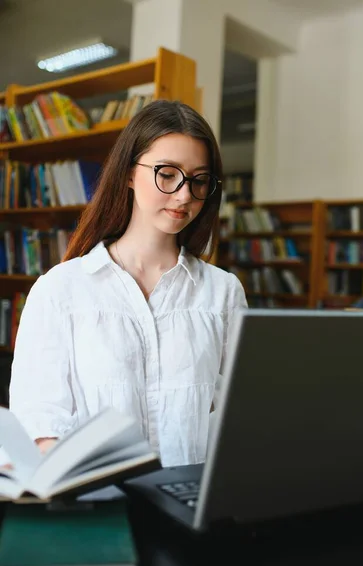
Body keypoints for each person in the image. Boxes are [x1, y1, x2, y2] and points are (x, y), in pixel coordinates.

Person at [9, 100, 247, 467]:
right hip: (99, 506)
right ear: (128, 174)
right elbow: (39, 424)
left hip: (194, 505)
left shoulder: (223, 292)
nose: (184, 195)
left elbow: (242, 414)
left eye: (199, 180)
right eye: (167, 173)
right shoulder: (60, 290)